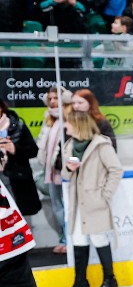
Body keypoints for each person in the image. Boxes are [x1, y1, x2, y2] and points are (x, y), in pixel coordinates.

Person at [58, 110, 122, 287]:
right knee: (78, 239)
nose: (65, 126)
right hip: (77, 202)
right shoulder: (69, 146)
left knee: (98, 238)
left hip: (95, 201)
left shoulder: (100, 145)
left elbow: (116, 170)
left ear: (78, 124)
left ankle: (110, 280)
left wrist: (105, 195)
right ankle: (80, 283)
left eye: (68, 123)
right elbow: (65, 175)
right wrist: (69, 169)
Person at [37, 87, 69, 253]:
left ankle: (70, 239)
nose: (52, 101)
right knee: (57, 206)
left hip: (65, 171)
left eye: (56, 98)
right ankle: (64, 238)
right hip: (51, 170)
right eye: (50, 98)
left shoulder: (69, 117)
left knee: (68, 206)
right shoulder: (49, 119)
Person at [0, 98, 41, 219]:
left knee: (20, 217)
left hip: (17, 177)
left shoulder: (18, 125)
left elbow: (33, 150)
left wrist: (15, 150)